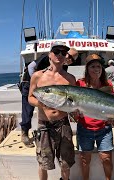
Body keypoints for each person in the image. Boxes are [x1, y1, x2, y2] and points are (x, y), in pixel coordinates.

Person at [28, 41, 76, 180]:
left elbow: (73, 102)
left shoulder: (70, 79)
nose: (60, 55)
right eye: (56, 52)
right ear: (50, 54)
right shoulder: (38, 76)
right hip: (44, 124)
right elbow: (30, 98)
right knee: (43, 163)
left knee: (66, 162)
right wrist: (42, 105)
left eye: (63, 52)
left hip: (63, 124)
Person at [76, 54, 114, 180]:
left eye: (99, 66)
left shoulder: (107, 85)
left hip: (104, 128)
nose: (96, 69)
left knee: (106, 158)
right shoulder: (79, 84)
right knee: (84, 160)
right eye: (93, 66)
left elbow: (111, 107)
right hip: (84, 128)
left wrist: (112, 118)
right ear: (87, 68)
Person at [19, 61, 37, 148]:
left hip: (42, 87)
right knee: (28, 110)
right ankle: (24, 133)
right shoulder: (45, 58)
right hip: (29, 86)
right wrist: (36, 81)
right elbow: (30, 66)